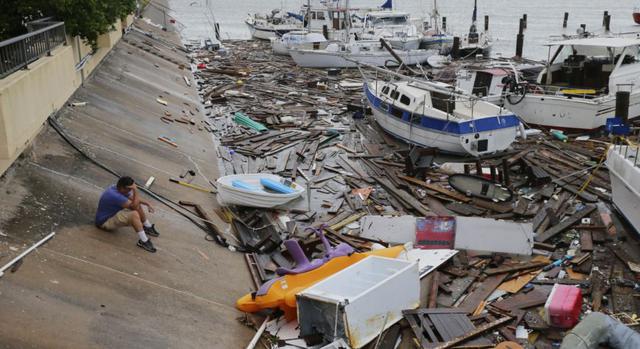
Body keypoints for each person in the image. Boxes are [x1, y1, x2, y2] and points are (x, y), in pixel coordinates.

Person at [95, 176, 160, 253]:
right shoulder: (114, 195)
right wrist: (135, 190)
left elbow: (133, 199)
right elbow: (134, 205)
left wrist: (147, 203)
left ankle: (147, 226)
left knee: (137, 205)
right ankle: (144, 241)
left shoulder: (117, 188)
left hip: (112, 214)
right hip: (104, 222)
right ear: (123, 188)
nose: (130, 191)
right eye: (129, 189)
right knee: (134, 214)